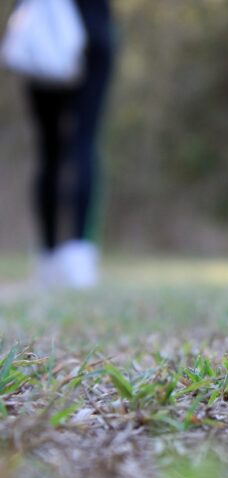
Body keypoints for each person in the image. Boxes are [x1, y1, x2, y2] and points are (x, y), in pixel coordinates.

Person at [26, 0, 115, 289]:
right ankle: (78, 256)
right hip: (90, 33)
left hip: (42, 35)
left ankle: (50, 255)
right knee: (82, 143)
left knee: (50, 150)